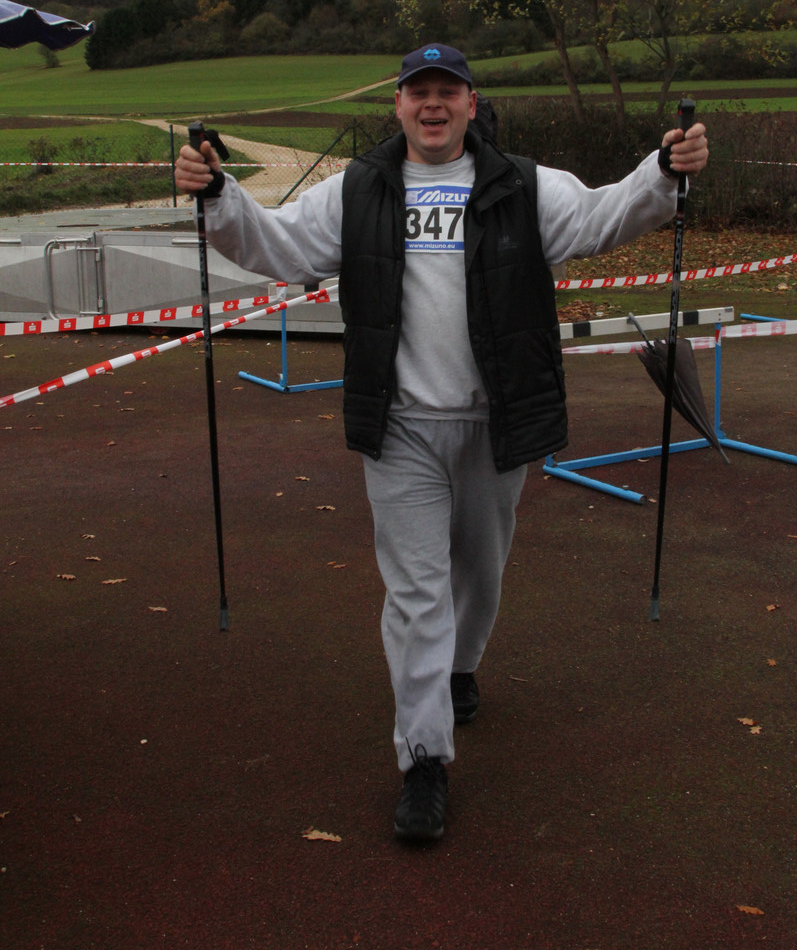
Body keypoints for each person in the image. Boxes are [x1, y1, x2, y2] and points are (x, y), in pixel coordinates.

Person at [174, 42, 708, 842]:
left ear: (470, 103)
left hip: (496, 420)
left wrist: (664, 171)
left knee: (479, 574)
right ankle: (424, 760)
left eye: (447, 91)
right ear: (398, 104)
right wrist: (218, 193)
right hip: (400, 428)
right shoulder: (357, 189)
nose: (432, 104)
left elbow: (605, 214)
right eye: (417, 91)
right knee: (417, 593)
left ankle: (461, 667)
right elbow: (278, 245)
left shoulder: (524, 185)